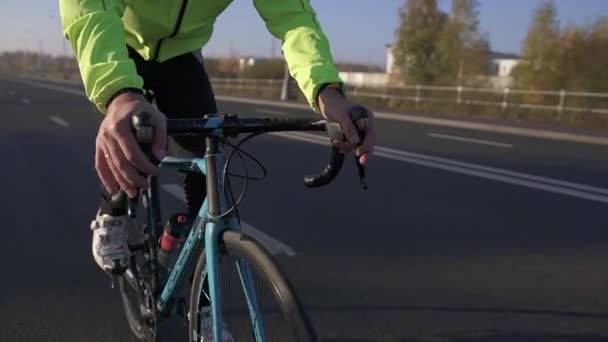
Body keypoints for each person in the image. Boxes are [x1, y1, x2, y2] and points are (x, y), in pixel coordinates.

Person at [60, 0, 376, 339]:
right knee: (130, 137)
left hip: (180, 57)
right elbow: (90, 7)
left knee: (208, 171)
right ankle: (112, 212)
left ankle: (204, 305)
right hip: (119, 41)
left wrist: (326, 91)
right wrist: (117, 92)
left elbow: (294, 16)